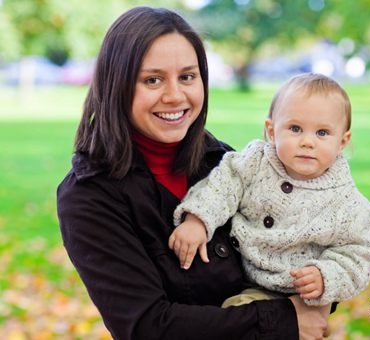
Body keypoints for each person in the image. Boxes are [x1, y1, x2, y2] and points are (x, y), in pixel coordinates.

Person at [56, 6, 330, 340]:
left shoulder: (225, 163)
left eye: (187, 77)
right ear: (118, 85)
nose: (175, 96)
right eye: (152, 80)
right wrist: (286, 320)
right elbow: (147, 327)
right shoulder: (89, 196)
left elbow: (303, 252)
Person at [170, 73, 370, 309]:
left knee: (239, 314)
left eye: (322, 133)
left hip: (295, 293)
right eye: (295, 128)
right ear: (271, 130)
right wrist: (198, 219)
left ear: (342, 141)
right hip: (239, 270)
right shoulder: (255, 163)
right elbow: (223, 185)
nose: (307, 142)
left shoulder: (348, 205)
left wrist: (326, 275)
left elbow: (358, 253)